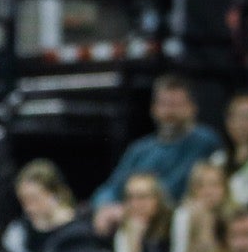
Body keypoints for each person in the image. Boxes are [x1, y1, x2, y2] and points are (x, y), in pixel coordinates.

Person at [91, 75, 223, 233]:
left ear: (192, 108)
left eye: (176, 105)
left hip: (177, 223)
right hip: (133, 222)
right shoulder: (140, 149)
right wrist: (105, 207)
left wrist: (135, 207)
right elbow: (111, 188)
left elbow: (181, 188)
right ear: (153, 109)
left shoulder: (206, 142)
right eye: (164, 104)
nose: (170, 112)